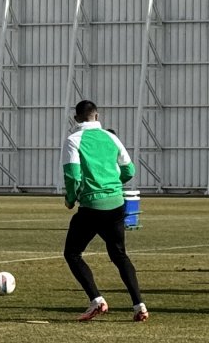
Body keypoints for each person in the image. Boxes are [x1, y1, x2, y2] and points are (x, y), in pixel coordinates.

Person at [61, 100, 147, 322]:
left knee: (72, 253)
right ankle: (139, 305)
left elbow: (73, 175)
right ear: (97, 116)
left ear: (76, 118)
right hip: (116, 204)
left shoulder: (73, 140)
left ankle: (96, 300)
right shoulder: (111, 137)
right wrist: (113, 185)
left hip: (92, 206)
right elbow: (129, 169)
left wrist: (70, 199)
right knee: (119, 255)